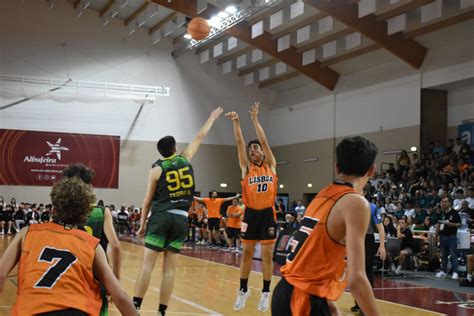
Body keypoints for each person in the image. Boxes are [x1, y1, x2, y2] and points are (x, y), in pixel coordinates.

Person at [272, 136, 381, 316]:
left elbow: (315, 252)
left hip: (287, 292)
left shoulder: (322, 194)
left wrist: (326, 301)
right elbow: (357, 279)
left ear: (337, 167)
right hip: (302, 300)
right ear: (371, 170)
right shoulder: (356, 203)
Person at [133, 107, 223, 315]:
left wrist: (142, 224)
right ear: (175, 147)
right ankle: (162, 311)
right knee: (169, 269)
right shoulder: (185, 158)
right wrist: (211, 117)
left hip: (161, 216)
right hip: (181, 219)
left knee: (147, 265)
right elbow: (200, 136)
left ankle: (136, 305)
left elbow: (147, 201)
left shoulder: (156, 169)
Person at [0, 177, 137, 315]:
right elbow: (121, 298)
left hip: (31, 310)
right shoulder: (92, 245)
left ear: (53, 209)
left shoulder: (27, 233)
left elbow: (1, 274)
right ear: (84, 215)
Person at [226, 102, 278, 312]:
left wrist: (255, 120)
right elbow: (239, 143)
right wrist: (236, 123)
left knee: (267, 255)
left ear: (263, 153)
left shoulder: (271, 165)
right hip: (250, 215)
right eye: (251, 149)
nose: (252, 150)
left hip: (267, 214)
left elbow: (264, 141)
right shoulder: (246, 168)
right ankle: (243, 290)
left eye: (255, 148)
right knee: (246, 253)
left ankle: (266, 292)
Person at [62, 163, 123, 316]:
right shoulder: (102, 212)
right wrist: (116, 277)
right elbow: (115, 246)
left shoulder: (61, 212)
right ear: (89, 186)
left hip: (68, 273)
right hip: (97, 274)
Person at [351, 201, 386, 313]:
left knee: (366, 271)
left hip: (367, 239)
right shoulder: (351, 205)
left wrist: (382, 246)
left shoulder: (372, 208)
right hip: (356, 238)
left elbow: (380, 228)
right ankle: (358, 302)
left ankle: (366, 304)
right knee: (355, 272)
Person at [435, 197, 461, 279]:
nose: (443, 203)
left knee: (453, 254)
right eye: (442, 202)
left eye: (445, 202)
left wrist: (452, 224)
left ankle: (455, 272)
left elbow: (459, 224)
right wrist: (436, 236)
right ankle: (444, 271)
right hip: (442, 236)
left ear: (449, 203)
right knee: (443, 255)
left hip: (451, 236)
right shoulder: (440, 213)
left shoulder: (454, 212)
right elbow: (438, 225)